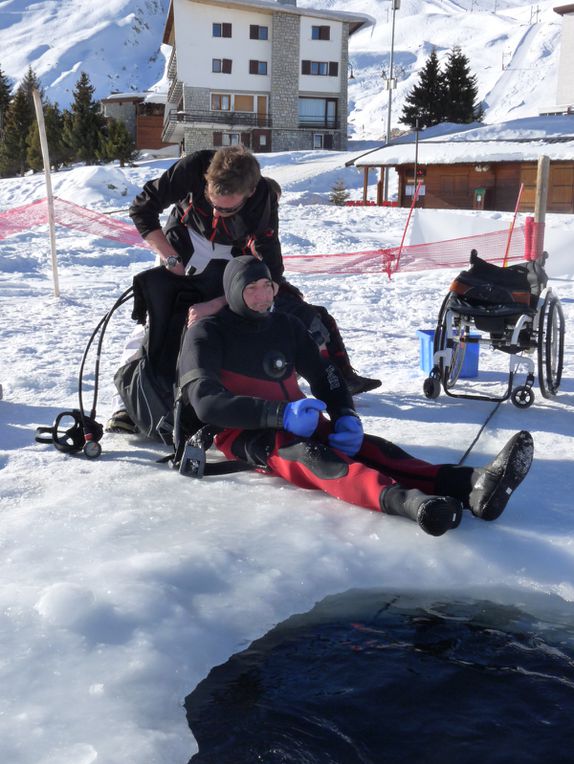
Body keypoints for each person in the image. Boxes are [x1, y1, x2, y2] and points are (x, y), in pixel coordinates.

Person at [177, 256, 534, 536]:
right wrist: (279, 416)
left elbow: (325, 374)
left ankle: (472, 485)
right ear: (234, 291)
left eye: (267, 286)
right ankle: (413, 504)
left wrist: (345, 413)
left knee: (370, 448)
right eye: (250, 288)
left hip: (297, 416)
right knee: (312, 457)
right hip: (240, 430)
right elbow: (206, 402)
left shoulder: (284, 324)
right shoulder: (207, 333)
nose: (263, 297)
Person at [107, 145, 380, 433]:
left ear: (249, 193)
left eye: (228, 209)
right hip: (181, 242)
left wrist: (221, 302)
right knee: (156, 319)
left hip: (228, 256)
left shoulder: (262, 196)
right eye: (212, 203)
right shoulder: (194, 166)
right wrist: (169, 255)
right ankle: (124, 406)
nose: (217, 212)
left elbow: (272, 267)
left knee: (231, 320)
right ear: (205, 179)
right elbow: (142, 207)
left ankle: (225, 393)